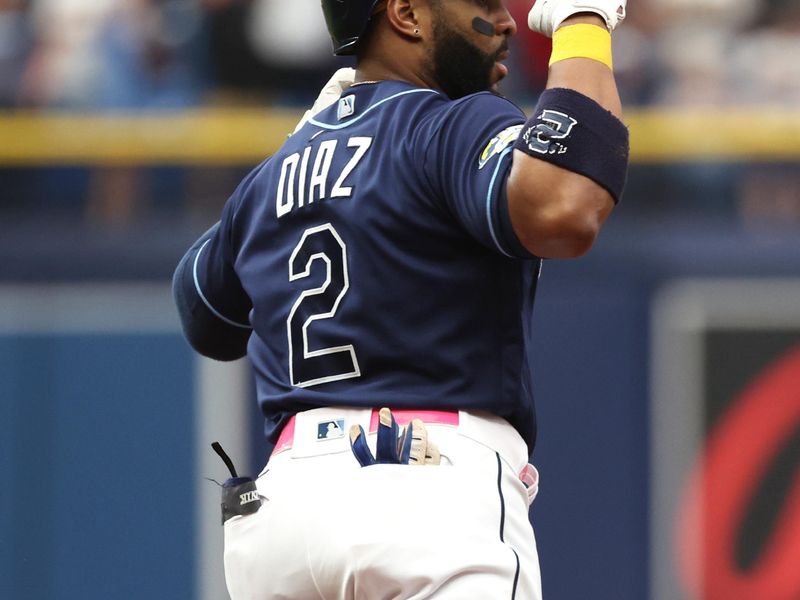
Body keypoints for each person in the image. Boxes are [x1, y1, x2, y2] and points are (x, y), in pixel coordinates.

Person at [173, 0, 629, 597]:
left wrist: (293, 159)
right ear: (407, 13)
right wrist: (583, 24)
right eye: (484, 3)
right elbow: (563, 207)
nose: (508, 20)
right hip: (425, 493)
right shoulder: (448, 123)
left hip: (281, 519)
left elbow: (204, 313)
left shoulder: (273, 175)